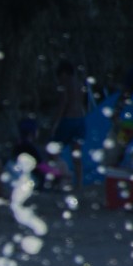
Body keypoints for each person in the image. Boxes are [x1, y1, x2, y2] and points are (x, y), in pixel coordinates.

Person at [47, 58, 87, 192]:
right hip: (80, 120)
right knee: (76, 154)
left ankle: (58, 180)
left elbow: (63, 103)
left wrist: (55, 123)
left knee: (53, 152)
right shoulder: (80, 84)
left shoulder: (65, 84)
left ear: (64, 73)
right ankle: (79, 183)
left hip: (68, 120)